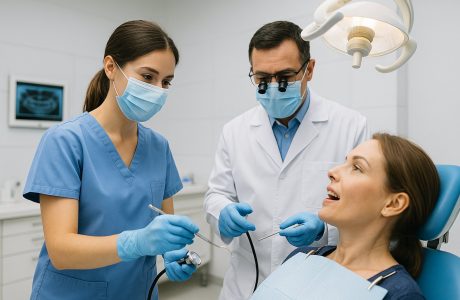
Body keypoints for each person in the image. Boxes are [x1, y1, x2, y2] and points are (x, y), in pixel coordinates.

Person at [23, 20, 199, 300]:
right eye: (147, 76)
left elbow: (165, 224)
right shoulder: (65, 140)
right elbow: (61, 250)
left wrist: (172, 253)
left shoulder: (159, 147)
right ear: (110, 67)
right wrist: (137, 242)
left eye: (166, 82)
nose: (158, 89)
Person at [204, 20, 369, 299]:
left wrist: (325, 228)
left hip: (318, 281)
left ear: (310, 70)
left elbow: (365, 210)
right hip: (246, 283)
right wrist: (222, 213)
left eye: (284, 76)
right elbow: (216, 194)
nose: (272, 87)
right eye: (262, 79)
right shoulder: (235, 131)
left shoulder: (350, 126)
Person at [252, 133, 439, 299]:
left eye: (357, 167)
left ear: (393, 204)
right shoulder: (302, 256)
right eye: (345, 161)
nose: (332, 172)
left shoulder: (399, 293)